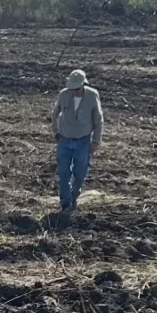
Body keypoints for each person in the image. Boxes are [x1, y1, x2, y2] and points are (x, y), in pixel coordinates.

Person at [51, 69, 103, 219]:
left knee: (80, 173)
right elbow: (55, 113)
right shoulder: (64, 95)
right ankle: (65, 203)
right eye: (72, 89)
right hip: (65, 140)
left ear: (83, 85)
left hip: (83, 142)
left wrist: (95, 141)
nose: (75, 92)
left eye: (77, 89)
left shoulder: (93, 96)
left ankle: (74, 195)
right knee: (63, 172)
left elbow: (98, 120)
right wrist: (56, 132)